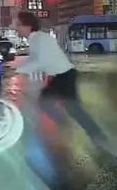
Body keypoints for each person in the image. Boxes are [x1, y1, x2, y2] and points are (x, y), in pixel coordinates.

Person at [14, 11, 107, 145]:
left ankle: (96, 135)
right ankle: (66, 126)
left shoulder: (39, 38)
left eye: (18, 25)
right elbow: (34, 59)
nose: (16, 28)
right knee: (46, 101)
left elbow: (40, 61)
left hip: (65, 75)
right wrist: (17, 70)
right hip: (60, 76)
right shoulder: (36, 38)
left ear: (27, 26)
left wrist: (18, 70)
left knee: (73, 108)